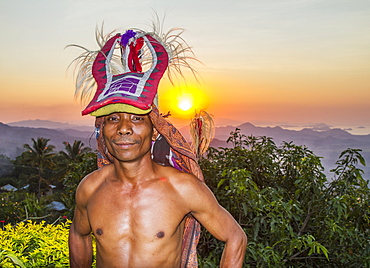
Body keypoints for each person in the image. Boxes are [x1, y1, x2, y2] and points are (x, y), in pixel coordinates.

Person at [68, 26, 247, 268]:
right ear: (103, 131)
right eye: (113, 119)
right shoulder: (90, 188)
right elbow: (79, 235)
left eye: (137, 118)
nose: (123, 128)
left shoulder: (183, 188)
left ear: (154, 130)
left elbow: (235, 236)